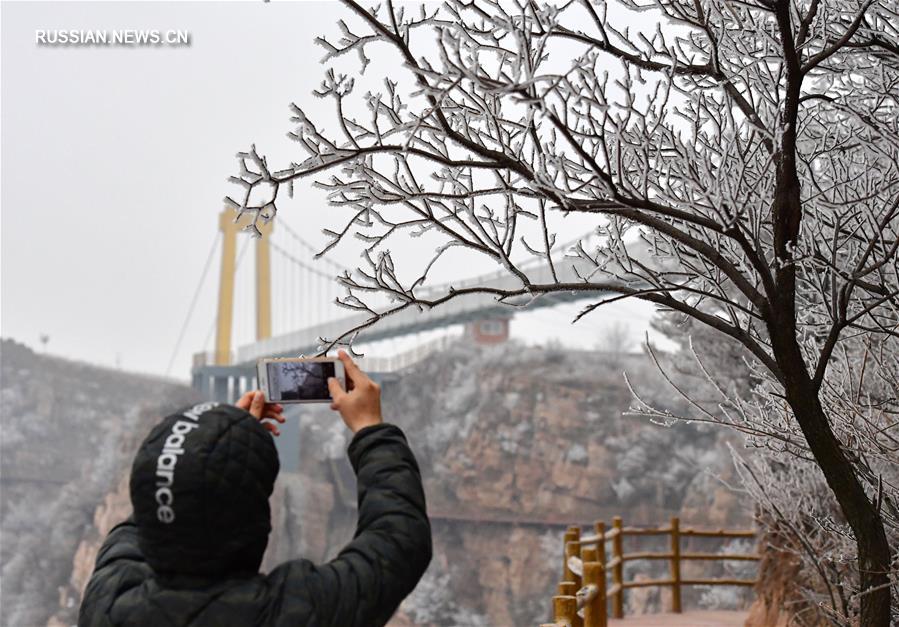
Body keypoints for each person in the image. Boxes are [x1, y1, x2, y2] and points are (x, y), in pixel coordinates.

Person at [78, 350, 432, 627]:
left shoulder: (106, 605)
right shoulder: (291, 615)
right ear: (255, 522)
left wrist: (221, 442)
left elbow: (152, 503)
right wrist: (370, 427)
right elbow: (399, 539)